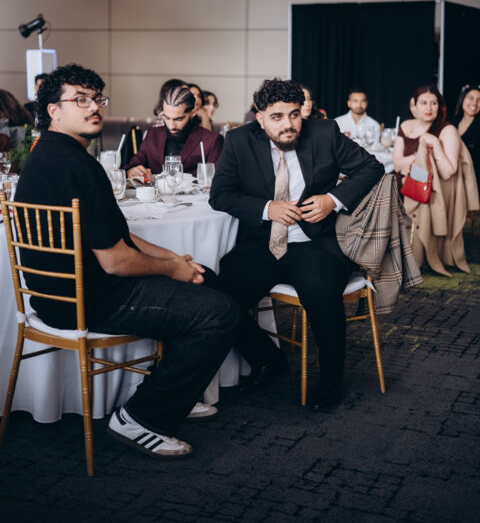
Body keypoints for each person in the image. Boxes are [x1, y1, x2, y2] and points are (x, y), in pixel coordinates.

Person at [14, 64, 239, 459]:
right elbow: (117, 261)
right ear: (53, 110)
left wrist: (175, 259)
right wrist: (172, 269)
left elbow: (117, 235)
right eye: (80, 100)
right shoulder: (79, 166)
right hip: (88, 299)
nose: (94, 107)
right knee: (219, 313)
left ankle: (170, 393)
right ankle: (141, 417)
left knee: (204, 278)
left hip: (55, 295)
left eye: (97, 98)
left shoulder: (45, 155)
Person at [209, 78, 383, 411]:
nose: (288, 124)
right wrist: (267, 208)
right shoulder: (238, 140)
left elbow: (370, 167)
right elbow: (221, 195)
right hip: (261, 245)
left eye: (293, 114)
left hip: (315, 244)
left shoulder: (324, 133)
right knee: (220, 300)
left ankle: (330, 383)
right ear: (260, 117)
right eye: (277, 117)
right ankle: (268, 359)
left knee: (321, 295)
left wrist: (332, 200)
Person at [393, 84, 478, 276]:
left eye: (434, 103)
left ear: (440, 106)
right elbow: (397, 164)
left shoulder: (447, 130)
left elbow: (448, 172)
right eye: (423, 103)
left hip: (430, 190)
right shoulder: (406, 126)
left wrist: (435, 146)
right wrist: (419, 156)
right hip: (404, 184)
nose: (429, 108)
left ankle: (414, 255)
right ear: (413, 105)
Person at [126, 81, 223, 179]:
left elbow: (217, 179)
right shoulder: (153, 134)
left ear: (192, 113)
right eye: (167, 118)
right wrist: (132, 171)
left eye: (179, 119)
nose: (171, 126)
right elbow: (133, 164)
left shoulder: (212, 140)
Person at [453, 84, 480, 191]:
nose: (474, 103)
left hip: (473, 182)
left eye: (479, 100)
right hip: (453, 180)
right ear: (463, 99)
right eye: (471, 98)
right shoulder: (452, 123)